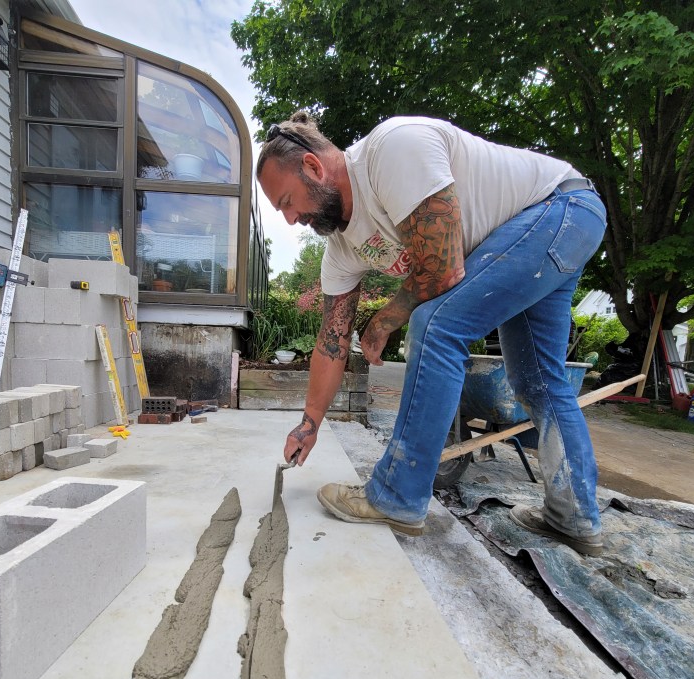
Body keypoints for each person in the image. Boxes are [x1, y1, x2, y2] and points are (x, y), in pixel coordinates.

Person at [256, 111, 608, 555]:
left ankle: (397, 496)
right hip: (563, 224)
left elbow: (443, 270)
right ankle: (573, 517)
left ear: (312, 167)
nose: (290, 219)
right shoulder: (342, 249)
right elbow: (332, 342)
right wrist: (310, 423)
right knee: (537, 380)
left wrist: (384, 320)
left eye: (288, 202)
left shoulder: (392, 150)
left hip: (558, 209)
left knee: (436, 324)